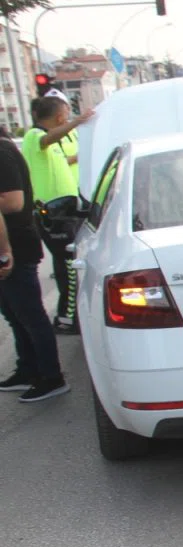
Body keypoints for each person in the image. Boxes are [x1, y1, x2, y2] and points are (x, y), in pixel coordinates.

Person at [0, 133, 70, 402]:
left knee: (30, 315)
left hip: (16, 247)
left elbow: (14, 201)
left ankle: (52, 377)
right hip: (9, 248)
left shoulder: (3, 152)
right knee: (13, 314)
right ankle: (28, 369)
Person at [22, 96, 89, 335]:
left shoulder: (50, 143)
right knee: (68, 266)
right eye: (66, 114)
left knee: (69, 263)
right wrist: (76, 122)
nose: (67, 118)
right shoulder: (34, 136)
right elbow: (47, 139)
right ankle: (66, 319)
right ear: (60, 116)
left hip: (63, 210)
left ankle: (69, 316)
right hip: (52, 212)